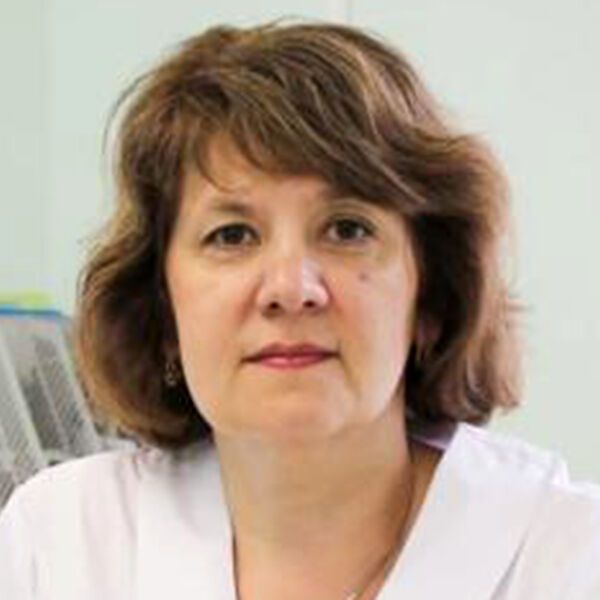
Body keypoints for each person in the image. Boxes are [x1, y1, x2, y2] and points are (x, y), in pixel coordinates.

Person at [1, 20, 599, 600]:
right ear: (161, 309)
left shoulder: (566, 558)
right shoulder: (60, 544)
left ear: (431, 298)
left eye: (346, 229)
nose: (290, 289)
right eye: (232, 235)